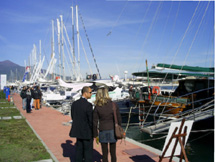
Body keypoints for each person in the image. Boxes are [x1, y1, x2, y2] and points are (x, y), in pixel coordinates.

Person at [93, 88, 122, 162]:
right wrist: (120, 128)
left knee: (104, 153)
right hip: (112, 130)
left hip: (102, 130)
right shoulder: (113, 105)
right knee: (113, 153)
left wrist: (95, 134)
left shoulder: (97, 107)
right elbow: (119, 119)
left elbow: (94, 122)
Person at [69, 86, 93, 162]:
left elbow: (73, 116)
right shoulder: (88, 105)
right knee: (88, 151)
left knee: (79, 150)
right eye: (90, 92)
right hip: (86, 131)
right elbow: (90, 120)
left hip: (78, 130)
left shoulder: (75, 104)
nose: (91, 94)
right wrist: (93, 130)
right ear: (85, 93)